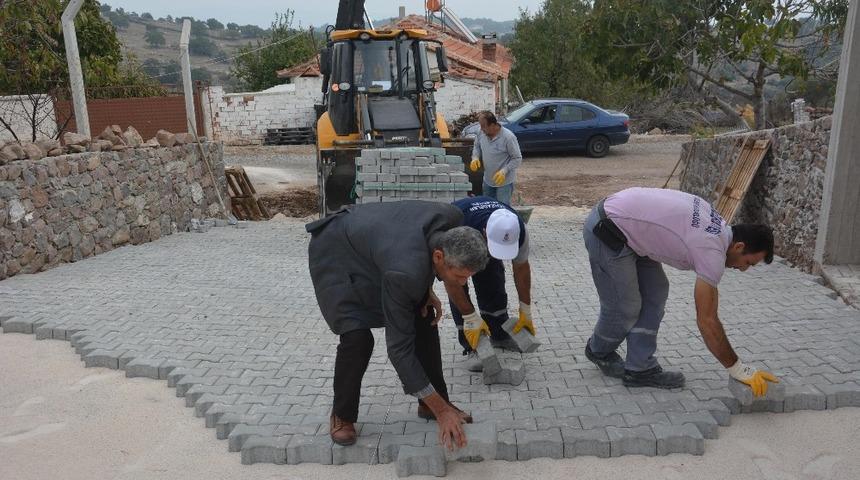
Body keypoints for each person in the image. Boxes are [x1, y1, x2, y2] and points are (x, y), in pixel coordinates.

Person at [306, 201, 489, 449]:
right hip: (335, 250)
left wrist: (425, 289)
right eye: (459, 276)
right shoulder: (404, 271)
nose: (461, 282)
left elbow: (418, 250)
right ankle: (343, 415)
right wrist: (419, 285)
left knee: (423, 315)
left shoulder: (452, 219)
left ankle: (432, 404)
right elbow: (399, 349)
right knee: (357, 336)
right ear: (439, 257)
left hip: (379, 246)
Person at [583, 187, 780, 397]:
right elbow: (707, 321)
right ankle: (599, 350)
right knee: (625, 306)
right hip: (607, 229)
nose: (743, 269)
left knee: (656, 293)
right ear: (739, 246)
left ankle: (640, 369)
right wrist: (738, 368)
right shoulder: (711, 251)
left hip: (631, 229)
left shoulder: (719, 226)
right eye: (748, 263)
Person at [445, 196, 534, 363]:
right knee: (459, 282)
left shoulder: (519, 229)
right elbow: (451, 280)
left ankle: (499, 334)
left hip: (482, 236)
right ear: (485, 232)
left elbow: (521, 268)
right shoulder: (456, 225)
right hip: (462, 236)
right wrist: (470, 316)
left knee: (493, 280)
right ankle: (471, 345)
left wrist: (525, 309)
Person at [469, 111, 523, 205]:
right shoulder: (481, 132)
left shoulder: (508, 137)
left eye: (484, 126)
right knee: (488, 208)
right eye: (480, 126)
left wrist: (504, 171)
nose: (481, 129)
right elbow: (477, 146)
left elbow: (517, 158)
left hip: (504, 183)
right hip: (488, 180)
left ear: (493, 125)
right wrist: (475, 157)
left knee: (502, 209)